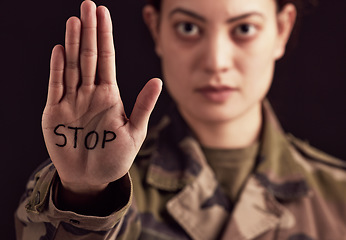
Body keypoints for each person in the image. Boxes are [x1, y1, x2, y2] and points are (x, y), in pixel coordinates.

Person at [15, 0, 346, 239]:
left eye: (244, 28)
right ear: (156, 29)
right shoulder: (105, 190)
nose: (216, 61)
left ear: (282, 28)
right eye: (188, 27)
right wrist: (84, 195)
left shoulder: (340, 198)